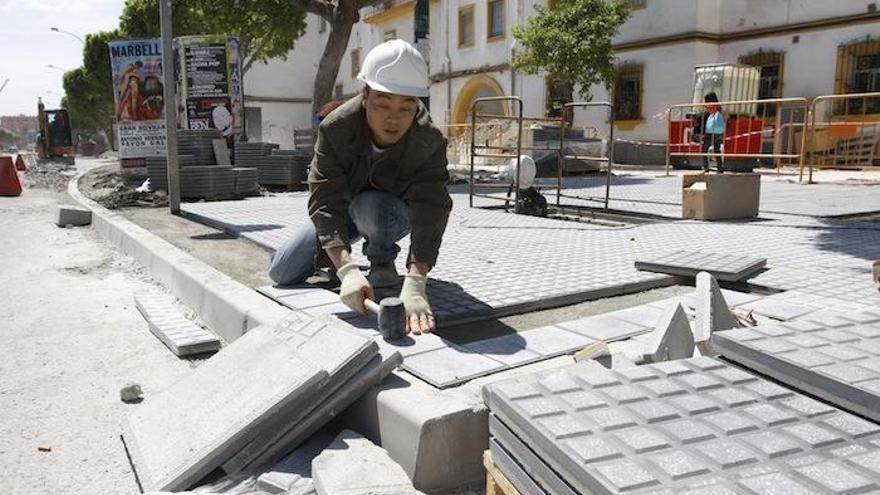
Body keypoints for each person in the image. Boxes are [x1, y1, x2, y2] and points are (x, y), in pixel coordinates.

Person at [268, 39, 452, 335]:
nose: (394, 118)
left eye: (406, 108)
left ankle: (381, 263)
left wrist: (417, 280)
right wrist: (345, 268)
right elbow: (325, 198)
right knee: (282, 271)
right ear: (365, 96)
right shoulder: (335, 128)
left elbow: (432, 209)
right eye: (383, 104)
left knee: (372, 205)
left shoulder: (428, 140)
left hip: (393, 213)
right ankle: (344, 260)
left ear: (417, 105)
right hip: (348, 212)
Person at [701, 92, 726, 173]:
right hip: (719, 132)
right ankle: (720, 168)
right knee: (717, 150)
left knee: (704, 149)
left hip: (711, 132)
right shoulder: (719, 107)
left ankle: (706, 167)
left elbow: (709, 112)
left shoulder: (711, 106)